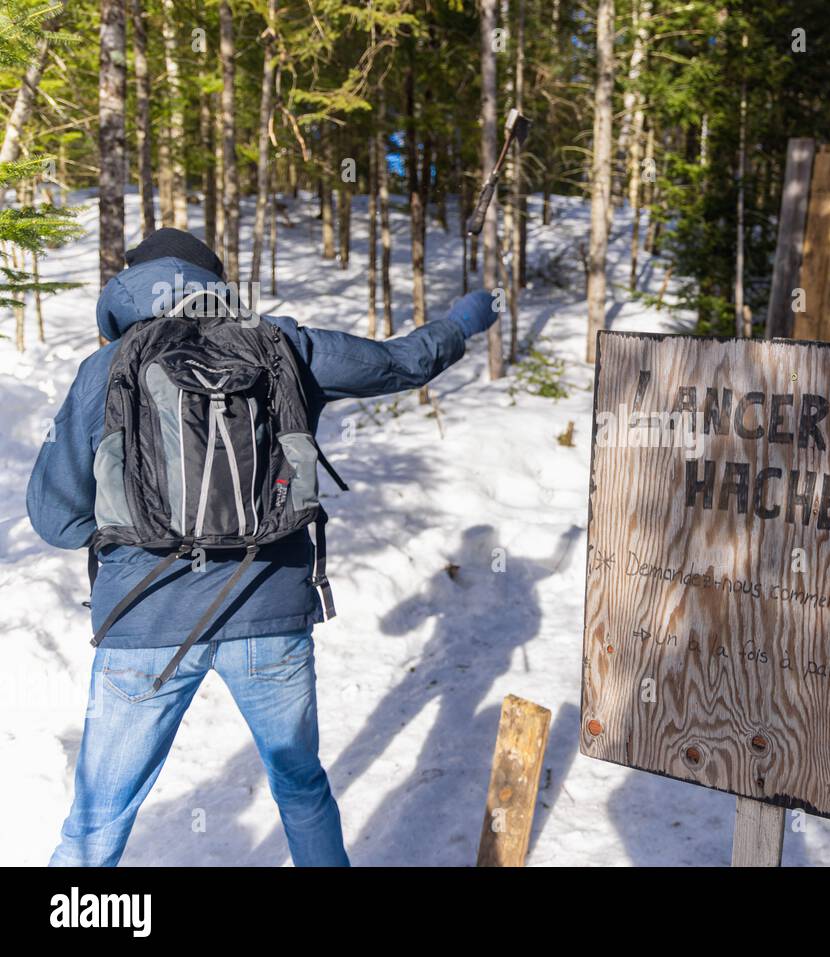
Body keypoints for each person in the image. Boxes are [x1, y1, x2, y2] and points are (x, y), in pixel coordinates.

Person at [27, 228, 498, 866]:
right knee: (301, 786)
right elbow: (402, 362)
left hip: (146, 622)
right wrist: (467, 318)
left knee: (97, 818)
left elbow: (52, 518)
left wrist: (130, 531)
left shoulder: (105, 369)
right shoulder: (282, 345)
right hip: (268, 609)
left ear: (131, 282)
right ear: (214, 283)